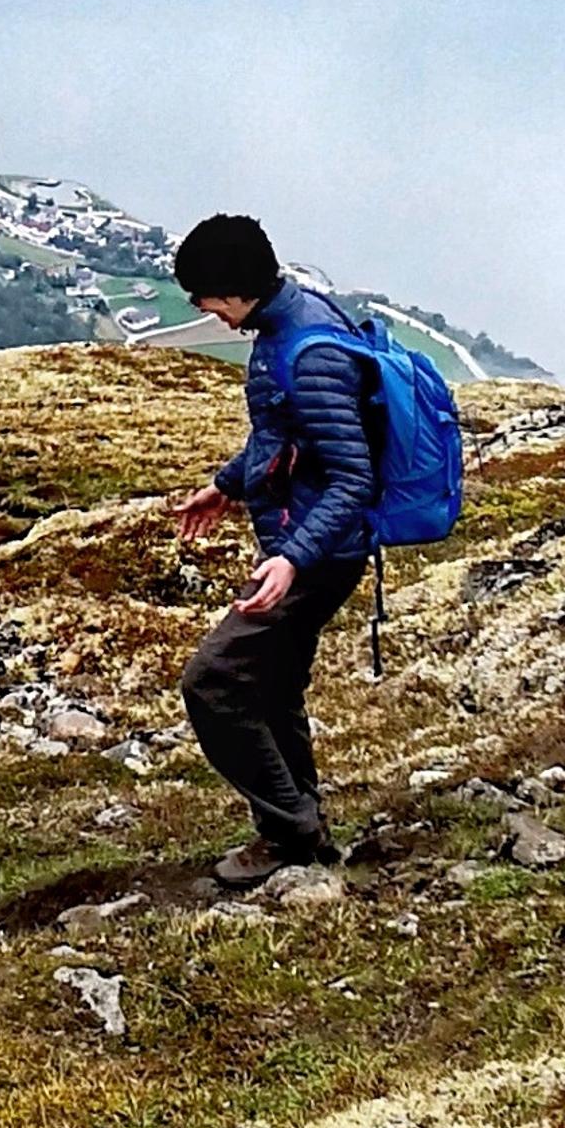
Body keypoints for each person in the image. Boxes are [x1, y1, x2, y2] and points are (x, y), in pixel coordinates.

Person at [164, 214, 376, 883]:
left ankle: (289, 831)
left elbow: (352, 475)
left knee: (214, 679)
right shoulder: (289, 323)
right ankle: (299, 829)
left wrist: (292, 558)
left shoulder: (310, 351)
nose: (205, 312)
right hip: (306, 542)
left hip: (317, 554)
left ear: (235, 288)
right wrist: (224, 487)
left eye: (206, 299)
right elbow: (283, 434)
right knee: (273, 683)